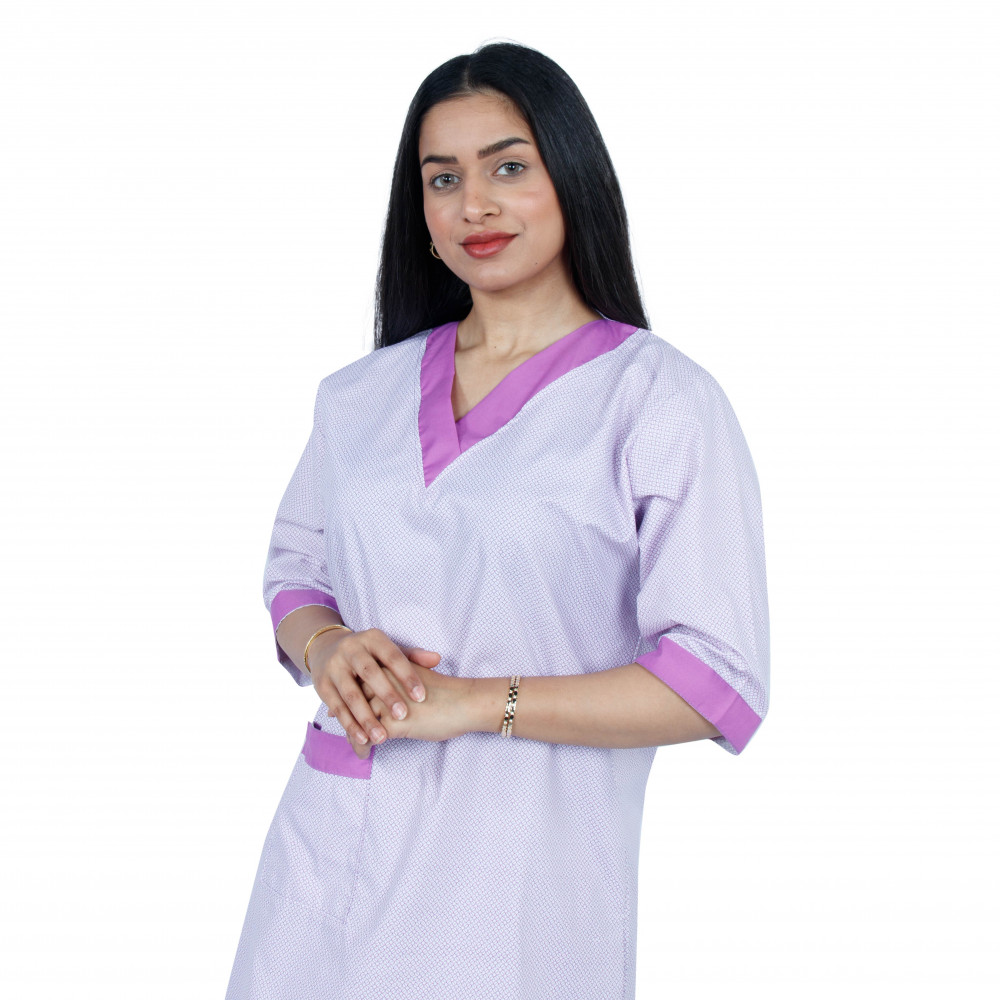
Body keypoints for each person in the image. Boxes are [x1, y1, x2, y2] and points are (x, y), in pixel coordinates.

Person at [225, 41, 769, 1000]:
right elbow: (297, 569)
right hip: (327, 865)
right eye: (443, 179)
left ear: (573, 177)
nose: (473, 204)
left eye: (507, 167)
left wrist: (477, 704)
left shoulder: (657, 402)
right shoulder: (359, 396)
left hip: (522, 888)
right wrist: (326, 647)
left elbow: (715, 679)